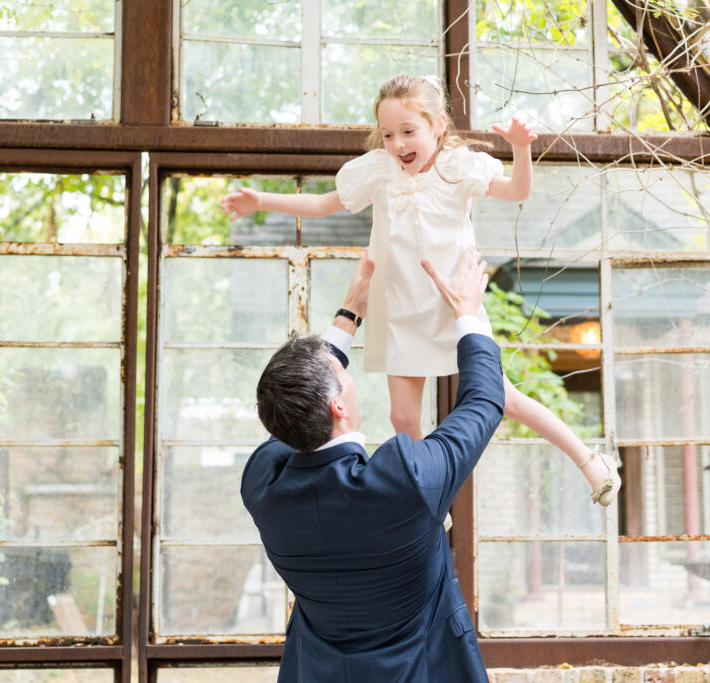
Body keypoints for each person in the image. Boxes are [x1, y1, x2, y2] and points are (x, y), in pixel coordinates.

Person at [224, 74, 619, 506]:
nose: (397, 144)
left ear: (438, 126)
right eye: (388, 134)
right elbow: (321, 204)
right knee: (401, 416)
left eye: (408, 132)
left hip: (454, 305)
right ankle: (426, 502)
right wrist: (260, 200)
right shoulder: (378, 170)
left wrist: (522, 148)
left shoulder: (460, 168)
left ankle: (588, 459)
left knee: (505, 398)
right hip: (398, 309)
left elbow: (517, 191)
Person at [242, 249, 500, 682]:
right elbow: (483, 403)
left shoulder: (264, 485)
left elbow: (290, 413)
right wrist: (468, 315)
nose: (349, 375)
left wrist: (351, 310)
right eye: (342, 374)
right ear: (339, 404)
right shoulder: (405, 481)